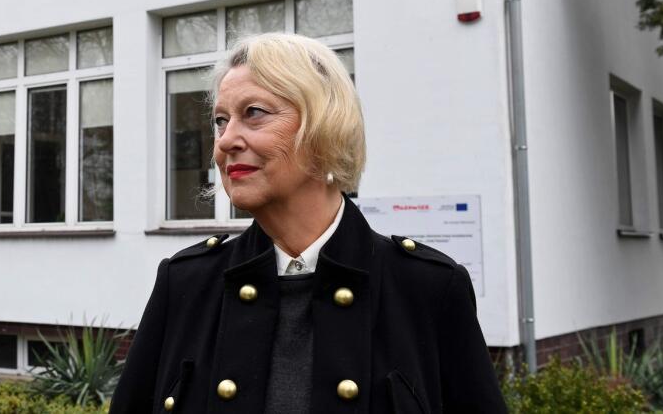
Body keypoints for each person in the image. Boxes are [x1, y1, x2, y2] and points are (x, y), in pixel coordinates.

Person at [110, 33, 505, 413]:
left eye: (254, 114)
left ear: (325, 126)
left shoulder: (427, 287)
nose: (226, 140)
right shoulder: (185, 283)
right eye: (220, 120)